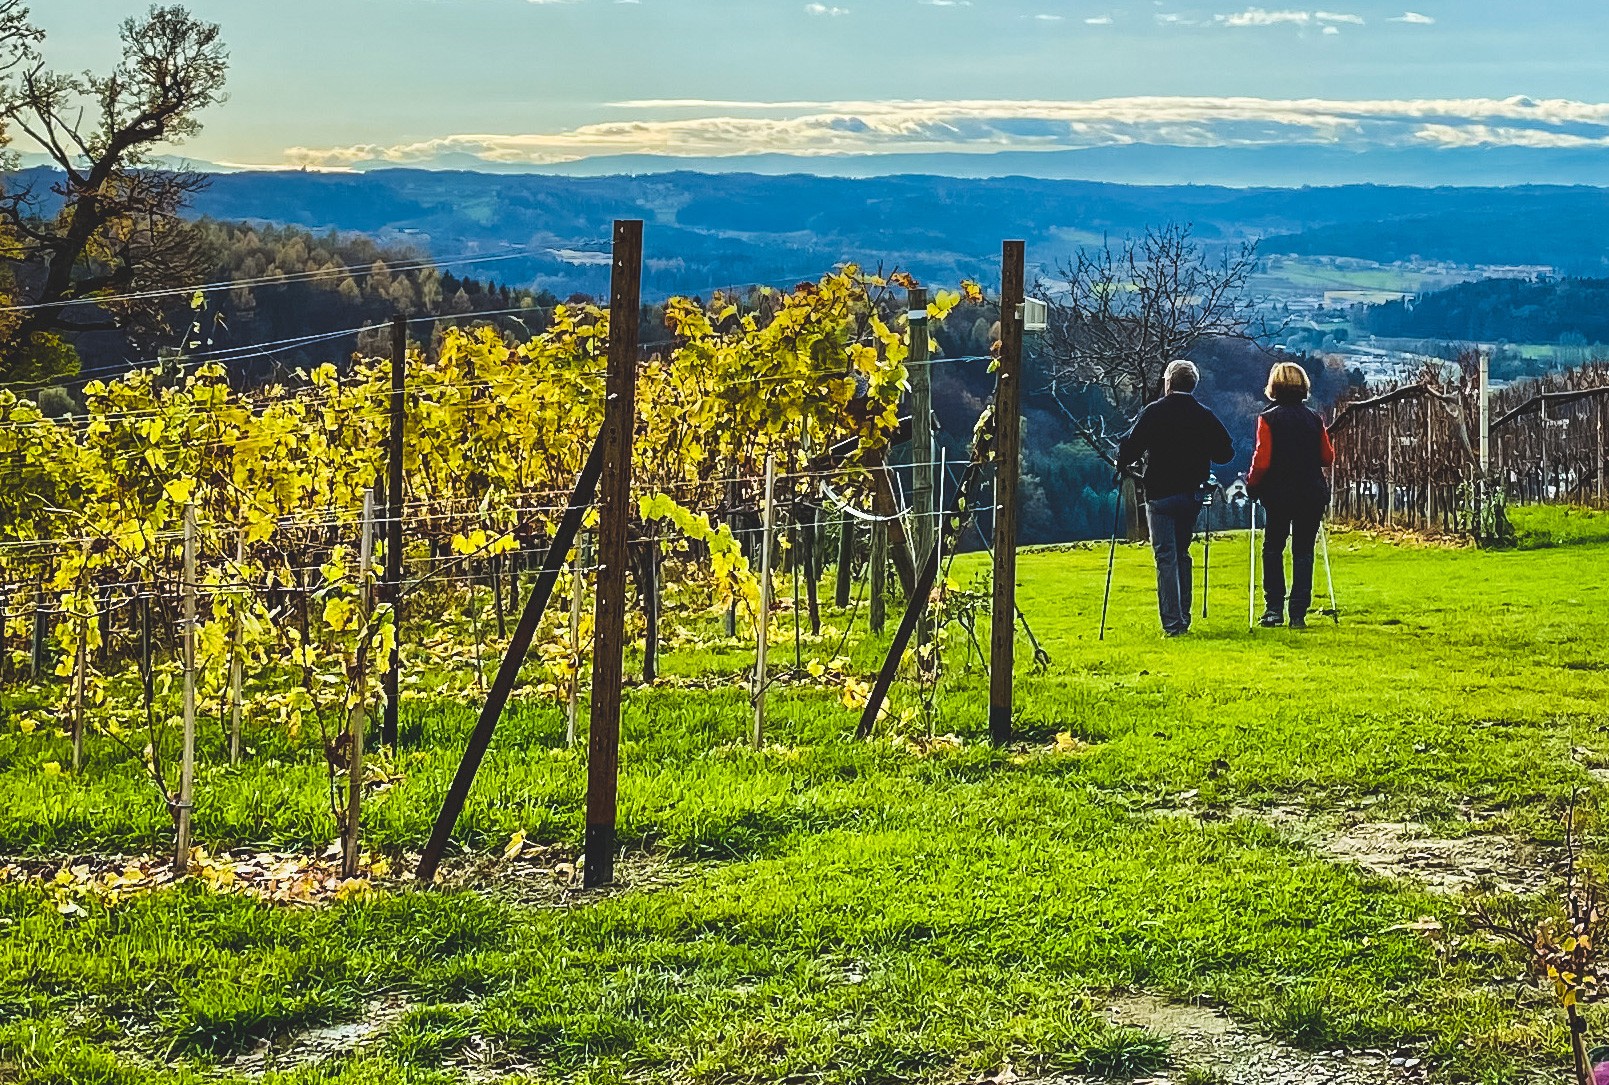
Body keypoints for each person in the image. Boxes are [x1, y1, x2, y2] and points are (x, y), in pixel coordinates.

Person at [1117, 360, 1235, 637]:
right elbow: (1225, 452)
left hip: (1159, 494)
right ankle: (1184, 614)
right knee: (1182, 553)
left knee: (1165, 556)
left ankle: (1172, 623)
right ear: (1193, 384)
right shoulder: (1203, 414)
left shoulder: (1154, 412)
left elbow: (1131, 447)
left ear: (1168, 382)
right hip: (1191, 493)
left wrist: (1123, 463)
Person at [1248, 360, 1335, 630]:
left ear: (1273, 386)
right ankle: (1298, 612)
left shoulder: (1268, 418)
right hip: (1310, 492)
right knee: (1303, 551)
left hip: (1278, 493)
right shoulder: (1314, 419)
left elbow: (1262, 460)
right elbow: (1327, 457)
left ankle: (1274, 608)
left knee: (1273, 547)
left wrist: (1252, 483)